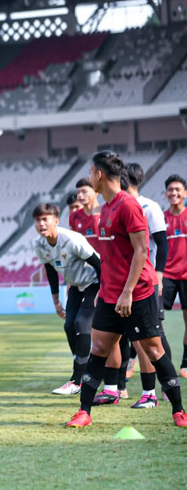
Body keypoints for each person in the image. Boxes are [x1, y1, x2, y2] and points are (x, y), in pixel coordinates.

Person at [66, 151, 187, 428]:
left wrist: (128, 291)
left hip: (138, 293)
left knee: (155, 351)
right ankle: (84, 412)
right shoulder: (106, 208)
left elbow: (142, 251)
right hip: (111, 294)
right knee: (99, 348)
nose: (88, 177)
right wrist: (106, 288)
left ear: (98, 174)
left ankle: (179, 411)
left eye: (90, 171)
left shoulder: (129, 205)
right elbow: (111, 255)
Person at [93, 164, 171, 407]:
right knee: (114, 340)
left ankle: (153, 392)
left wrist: (157, 276)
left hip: (142, 284)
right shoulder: (109, 208)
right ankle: (114, 389)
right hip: (116, 287)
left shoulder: (147, 206)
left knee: (146, 341)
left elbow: (158, 244)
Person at [32, 203, 101, 396]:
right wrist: (56, 301)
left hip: (95, 283)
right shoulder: (38, 244)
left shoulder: (72, 239)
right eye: (38, 220)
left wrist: (102, 292)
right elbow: (51, 272)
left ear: (56, 220)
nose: (41, 224)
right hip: (76, 287)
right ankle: (83, 367)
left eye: (45, 219)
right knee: (69, 326)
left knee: (81, 324)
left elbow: (98, 263)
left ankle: (77, 380)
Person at [161, 174, 187, 381]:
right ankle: (135, 358)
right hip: (166, 275)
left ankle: (185, 364)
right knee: (152, 320)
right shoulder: (161, 218)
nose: (174, 193)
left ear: (185, 193)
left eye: (178, 189)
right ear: (166, 193)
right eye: (170, 190)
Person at [69, 178, 101, 252]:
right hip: (84, 261)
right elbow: (73, 243)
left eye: (84, 192)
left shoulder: (106, 212)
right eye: (78, 192)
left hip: (105, 260)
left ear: (96, 192)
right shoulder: (74, 216)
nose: (79, 195)